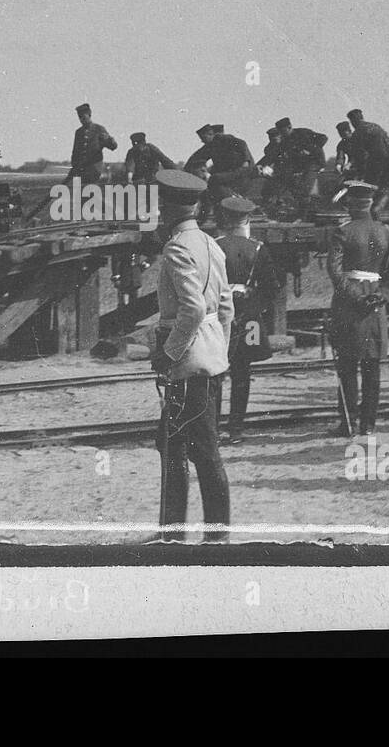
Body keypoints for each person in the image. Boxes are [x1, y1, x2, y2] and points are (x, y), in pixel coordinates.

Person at [150, 169, 234, 542]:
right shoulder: (211, 244)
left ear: (167, 207)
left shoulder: (177, 248)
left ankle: (205, 537)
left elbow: (193, 309)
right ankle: (179, 532)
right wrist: (220, 351)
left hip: (187, 364)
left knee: (195, 448)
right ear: (197, 205)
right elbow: (226, 307)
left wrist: (170, 353)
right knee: (182, 444)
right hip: (209, 360)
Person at [325, 180, 389, 435]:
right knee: (372, 368)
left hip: (348, 307)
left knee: (347, 366)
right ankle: (368, 426)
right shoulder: (385, 231)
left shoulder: (343, 231)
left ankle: (348, 425)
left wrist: (354, 295)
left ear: (349, 203)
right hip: (375, 307)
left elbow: (335, 271)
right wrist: (382, 295)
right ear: (371, 203)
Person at [213, 196, 277, 441]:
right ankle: (236, 429)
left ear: (225, 218)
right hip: (248, 316)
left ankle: (214, 430)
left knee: (215, 374)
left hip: (220, 315)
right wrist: (254, 305)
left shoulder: (214, 245)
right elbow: (271, 286)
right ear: (247, 219)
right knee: (242, 373)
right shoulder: (257, 247)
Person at [184, 124, 255, 215]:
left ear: (210, 135)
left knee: (214, 179)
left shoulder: (223, 139)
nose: (202, 141)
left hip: (241, 171)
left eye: (203, 138)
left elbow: (241, 143)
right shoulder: (210, 145)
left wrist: (246, 159)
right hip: (231, 172)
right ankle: (223, 206)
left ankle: (235, 200)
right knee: (213, 183)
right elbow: (196, 158)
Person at [346, 109, 389, 214]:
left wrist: (359, 171)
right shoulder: (375, 126)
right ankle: (378, 208)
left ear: (353, 121)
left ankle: (372, 210)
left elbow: (359, 156)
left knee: (370, 184)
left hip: (377, 159)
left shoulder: (358, 132)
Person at [272, 117, 327, 213]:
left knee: (305, 188)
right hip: (301, 165)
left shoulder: (303, 133)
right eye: (280, 132)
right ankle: (303, 209)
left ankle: (308, 210)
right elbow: (276, 155)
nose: (281, 134)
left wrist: (310, 150)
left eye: (283, 131)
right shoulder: (285, 141)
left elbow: (323, 138)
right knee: (289, 180)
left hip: (314, 162)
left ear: (289, 127)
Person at [68, 103, 117, 185]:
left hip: (95, 168)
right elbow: (75, 151)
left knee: (90, 193)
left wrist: (109, 140)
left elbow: (113, 146)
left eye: (83, 116)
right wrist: (74, 166)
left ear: (89, 115)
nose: (81, 119)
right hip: (81, 169)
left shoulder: (99, 129)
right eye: (79, 117)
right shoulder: (79, 132)